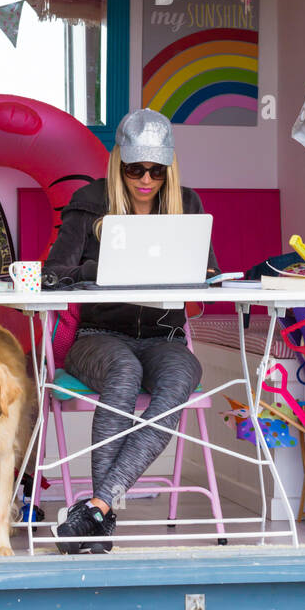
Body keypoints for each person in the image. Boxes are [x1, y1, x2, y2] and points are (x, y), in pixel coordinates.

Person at [43, 108, 219, 553]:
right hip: (98, 337)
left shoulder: (188, 207)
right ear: (118, 162)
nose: (145, 179)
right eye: (134, 169)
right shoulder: (89, 202)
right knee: (122, 374)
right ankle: (101, 515)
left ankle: (98, 510)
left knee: (180, 379)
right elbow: (51, 273)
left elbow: (209, 273)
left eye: (156, 170)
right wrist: (99, 269)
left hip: (165, 337)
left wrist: (204, 275)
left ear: (169, 168)